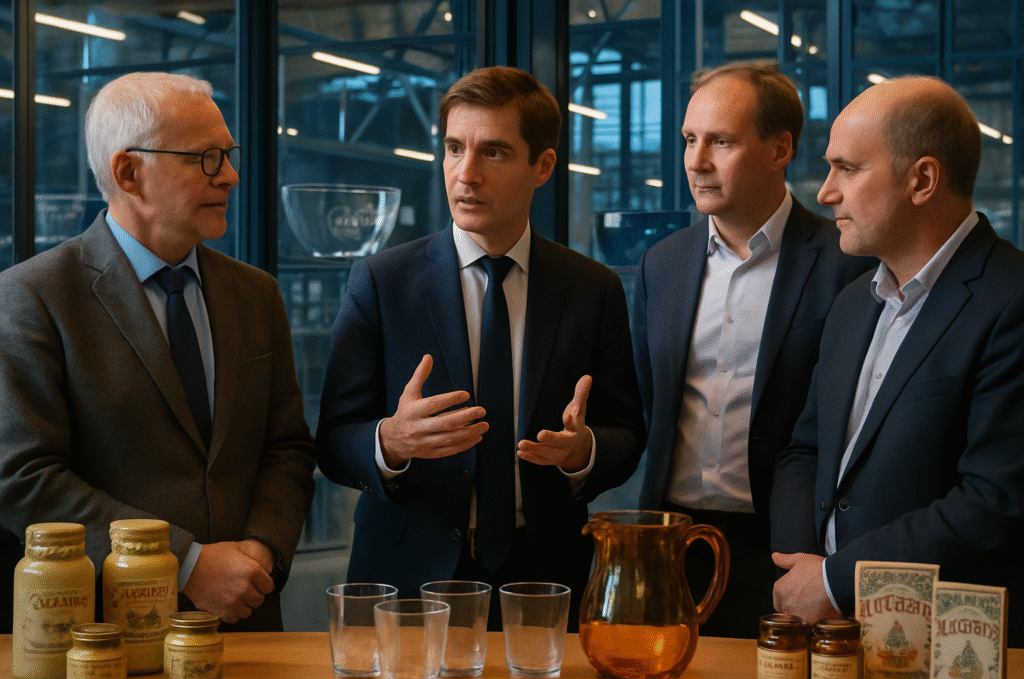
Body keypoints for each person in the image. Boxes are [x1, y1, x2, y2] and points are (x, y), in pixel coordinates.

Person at [315, 66, 646, 628]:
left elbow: (627, 433)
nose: (465, 174)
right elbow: (333, 441)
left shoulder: (592, 288)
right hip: (407, 576)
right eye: (453, 148)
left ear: (542, 166)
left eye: (492, 153)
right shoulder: (382, 280)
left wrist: (582, 452)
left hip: (545, 577)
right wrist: (390, 442)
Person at [0, 72, 316, 632]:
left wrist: (259, 555)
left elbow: (286, 447)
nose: (232, 175)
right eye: (207, 158)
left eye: (229, 154)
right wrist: (185, 563)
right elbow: (23, 477)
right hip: (106, 636)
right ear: (129, 172)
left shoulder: (256, 294)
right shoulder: (33, 296)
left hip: (249, 622)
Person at [770, 75, 1024, 646]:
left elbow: (995, 503)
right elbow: (805, 450)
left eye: (847, 168)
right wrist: (803, 570)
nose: (826, 192)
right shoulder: (853, 302)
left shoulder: (1012, 301)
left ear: (923, 179)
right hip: (828, 633)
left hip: (950, 644)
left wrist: (837, 582)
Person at [631, 61, 873, 637]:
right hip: (671, 543)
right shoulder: (661, 264)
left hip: (787, 549)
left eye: (722, 141)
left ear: (779, 148)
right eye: (690, 139)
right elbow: (648, 402)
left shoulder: (848, 263)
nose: (696, 161)